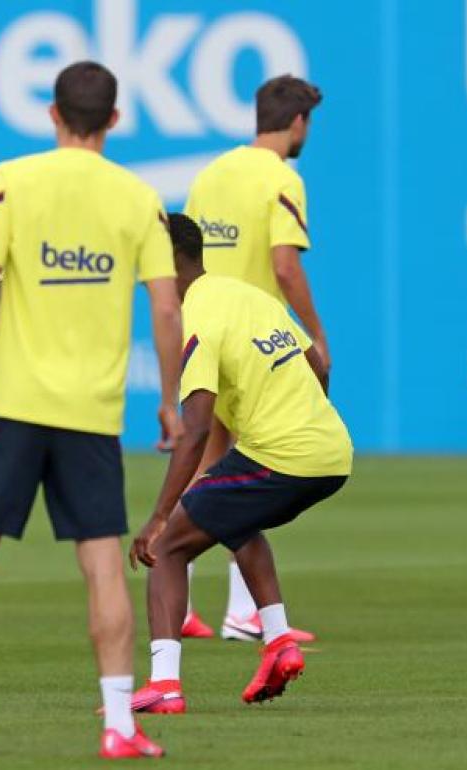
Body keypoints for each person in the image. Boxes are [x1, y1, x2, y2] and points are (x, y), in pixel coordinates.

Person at [0, 62, 182, 759]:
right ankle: (118, 725)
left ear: (52, 112)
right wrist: (170, 402)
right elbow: (167, 307)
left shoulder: (12, 180)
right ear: (113, 119)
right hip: (89, 412)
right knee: (103, 568)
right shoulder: (139, 197)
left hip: (11, 405)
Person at [128, 214, 351, 713]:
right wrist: (309, 420)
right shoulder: (249, 295)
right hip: (333, 450)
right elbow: (316, 362)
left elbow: (198, 428)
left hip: (283, 453)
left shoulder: (197, 318)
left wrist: (160, 515)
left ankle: (164, 684)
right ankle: (279, 642)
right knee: (233, 518)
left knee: (167, 549)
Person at [178, 75, 326, 642]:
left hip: (207, 329)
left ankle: (183, 595)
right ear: (297, 123)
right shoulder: (281, 177)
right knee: (251, 465)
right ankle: (243, 612)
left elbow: (184, 251)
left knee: (208, 463)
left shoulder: (211, 174)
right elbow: (285, 265)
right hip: (257, 340)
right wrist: (315, 337)